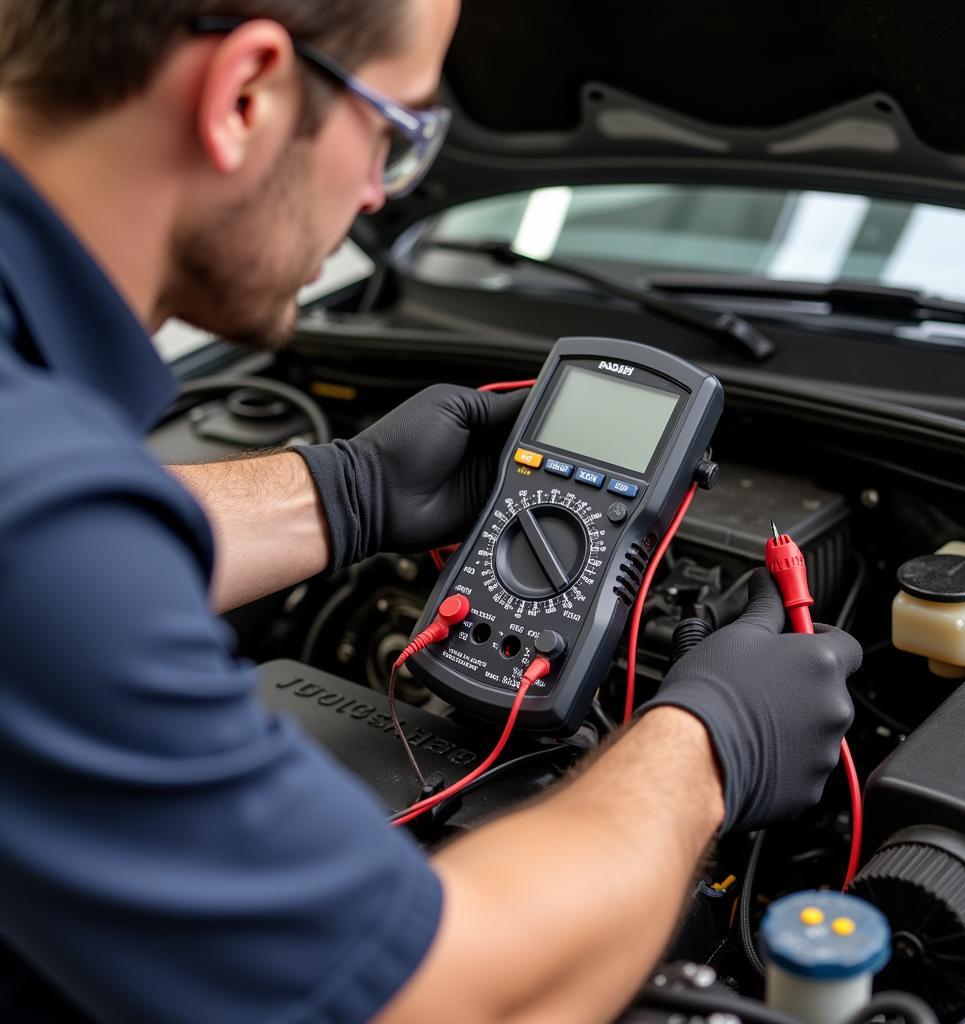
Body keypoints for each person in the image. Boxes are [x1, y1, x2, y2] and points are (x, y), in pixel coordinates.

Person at [0, 1, 862, 1022]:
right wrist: (709, 746)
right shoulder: (48, 531)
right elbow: (442, 1000)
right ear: (244, 94)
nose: (376, 195)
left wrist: (344, 492)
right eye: (397, 130)